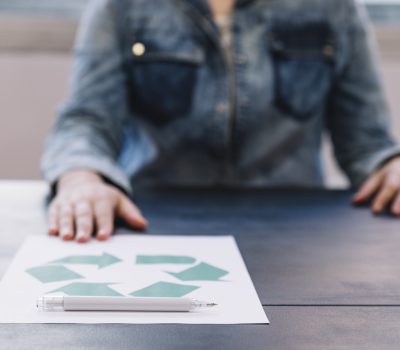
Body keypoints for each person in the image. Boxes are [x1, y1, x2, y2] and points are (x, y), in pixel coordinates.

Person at [42, 0, 400, 243]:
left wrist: (389, 166)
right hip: (152, 228)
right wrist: (82, 177)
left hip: (296, 237)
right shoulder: (122, 6)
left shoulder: (333, 6)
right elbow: (85, 120)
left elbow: (367, 142)